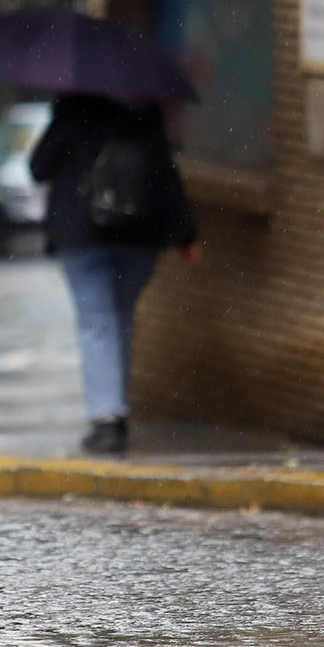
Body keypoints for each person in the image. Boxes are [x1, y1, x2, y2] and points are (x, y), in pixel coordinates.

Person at [29, 94, 199, 455]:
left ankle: (107, 419)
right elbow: (166, 172)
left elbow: (39, 167)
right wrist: (185, 235)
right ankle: (116, 412)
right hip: (139, 235)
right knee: (119, 320)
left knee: (97, 323)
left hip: (82, 233)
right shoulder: (144, 110)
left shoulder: (73, 108)